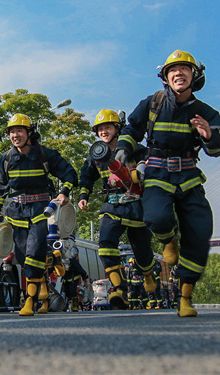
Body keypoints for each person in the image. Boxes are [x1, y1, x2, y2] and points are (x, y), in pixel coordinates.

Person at [116, 50, 220, 317]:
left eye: (184, 69)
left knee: (200, 231)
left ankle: (185, 297)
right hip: (157, 172)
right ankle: (168, 240)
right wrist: (123, 150)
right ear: (165, 77)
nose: (178, 73)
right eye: (173, 70)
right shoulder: (152, 103)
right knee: (156, 218)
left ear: (195, 76)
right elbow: (131, 129)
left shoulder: (205, 111)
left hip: (189, 176)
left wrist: (210, 134)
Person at [0, 113, 77, 316]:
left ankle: (30, 301)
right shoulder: (6, 159)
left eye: (19, 131)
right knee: (24, 258)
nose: (15, 135)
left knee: (32, 254)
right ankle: (45, 296)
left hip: (40, 211)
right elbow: (0, 185)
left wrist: (63, 193)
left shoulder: (43, 154)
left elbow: (70, 174)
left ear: (29, 132)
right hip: (15, 213)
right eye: (12, 132)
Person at [78, 109, 157, 310]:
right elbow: (86, 176)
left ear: (117, 128)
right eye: (100, 129)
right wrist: (83, 196)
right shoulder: (95, 155)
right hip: (112, 204)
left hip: (135, 204)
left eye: (108, 127)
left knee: (143, 251)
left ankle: (148, 273)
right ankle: (119, 290)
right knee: (104, 245)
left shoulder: (134, 148)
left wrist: (140, 173)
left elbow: (149, 160)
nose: (104, 132)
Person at [61, 244, 89, 312]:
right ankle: (65, 305)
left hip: (73, 277)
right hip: (65, 278)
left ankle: (75, 304)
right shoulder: (61, 258)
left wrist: (85, 279)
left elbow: (80, 269)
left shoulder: (73, 260)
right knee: (65, 292)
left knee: (72, 291)